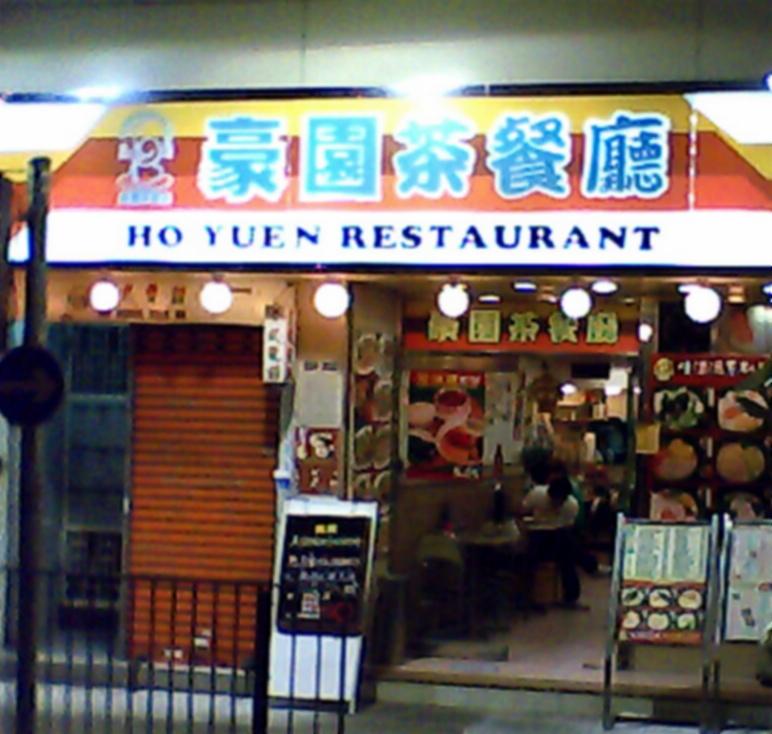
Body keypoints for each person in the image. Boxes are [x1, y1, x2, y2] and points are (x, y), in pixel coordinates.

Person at [519, 463, 586, 609]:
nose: (555, 504)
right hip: (538, 535)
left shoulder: (571, 506)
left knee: (566, 547)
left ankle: (569, 597)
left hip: (555, 539)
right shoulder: (537, 494)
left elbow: (568, 526)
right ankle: (529, 596)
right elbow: (522, 510)